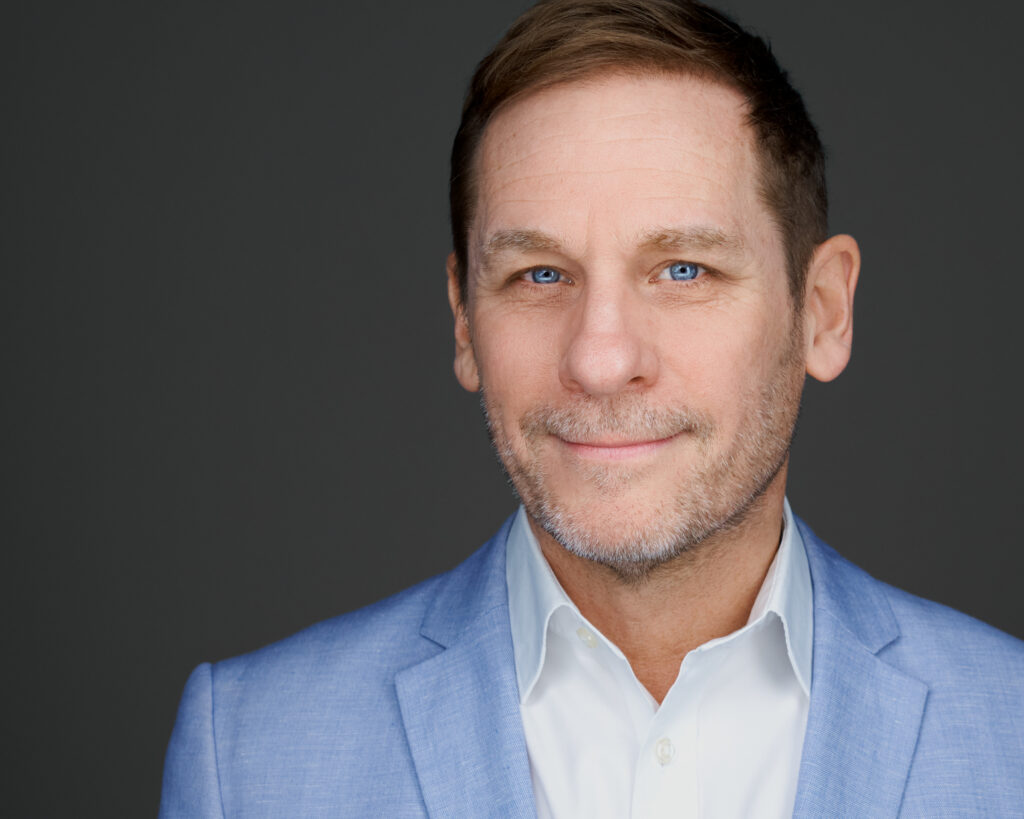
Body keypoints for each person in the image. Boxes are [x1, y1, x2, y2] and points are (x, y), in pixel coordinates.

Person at [159, 1, 1024, 816]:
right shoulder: (245, 755)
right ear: (464, 321)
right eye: (539, 275)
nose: (601, 360)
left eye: (684, 269)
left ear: (824, 311)